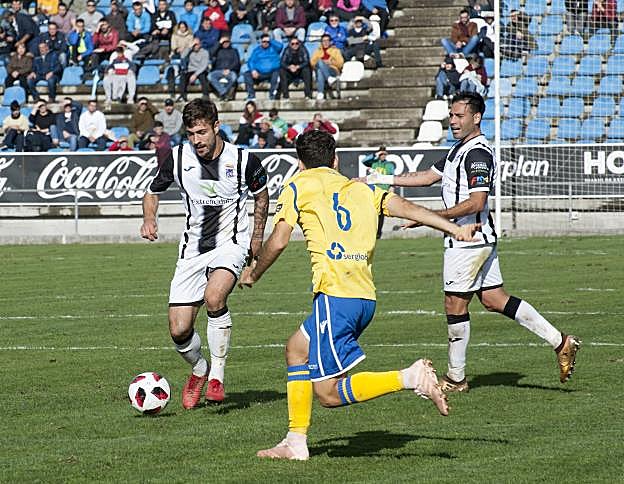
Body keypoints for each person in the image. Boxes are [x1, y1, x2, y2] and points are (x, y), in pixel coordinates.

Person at [239, 129, 482, 460]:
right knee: (296, 349)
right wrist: (455, 228)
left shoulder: (297, 185)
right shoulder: (362, 188)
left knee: (328, 394)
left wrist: (254, 272)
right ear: (336, 160)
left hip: (335, 296)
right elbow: (407, 207)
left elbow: (279, 240)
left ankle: (410, 377)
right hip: (363, 297)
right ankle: (295, 441)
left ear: (300, 163)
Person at [366, 92, 581, 391]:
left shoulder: (477, 154)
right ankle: (561, 341)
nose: (453, 121)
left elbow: (476, 202)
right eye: (451, 116)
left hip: (468, 239)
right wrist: (380, 179)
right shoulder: (459, 149)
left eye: (459, 116)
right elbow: (427, 177)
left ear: (476, 117)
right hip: (478, 238)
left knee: (454, 304)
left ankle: (456, 377)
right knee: (494, 299)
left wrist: (430, 217)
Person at [140, 98, 269, 409]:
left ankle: (217, 378)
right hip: (192, 250)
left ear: (216, 126)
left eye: (201, 132)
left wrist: (256, 238)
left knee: (214, 297)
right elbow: (152, 191)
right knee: (179, 329)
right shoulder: (178, 157)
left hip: (231, 244)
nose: (196, 140)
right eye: (190, 134)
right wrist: (149, 218)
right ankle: (200, 369)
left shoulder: (243, 160)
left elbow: (262, 196)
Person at [243, 33, 281, 100]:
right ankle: (251, 96)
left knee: (277, 74)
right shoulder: (257, 50)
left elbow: (280, 46)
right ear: (261, 42)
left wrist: (271, 40)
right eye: (264, 41)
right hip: (259, 73)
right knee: (247, 74)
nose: (266, 43)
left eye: (267, 42)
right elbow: (251, 61)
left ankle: (272, 95)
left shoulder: (274, 49)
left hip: (272, 72)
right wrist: (253, 70)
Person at [310, 34, 344, 100]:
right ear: (321, 42)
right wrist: (322, 62)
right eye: (324, 41)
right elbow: (312, 62)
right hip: (320, 70)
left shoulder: (335, 50)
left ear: (330, 42)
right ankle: (329, 78)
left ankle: (320, 93)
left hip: (332, 70)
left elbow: (340, 63)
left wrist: (330, 62)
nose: (325, 42)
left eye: (327, 41)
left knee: (320, 69)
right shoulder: (318, 51)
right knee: (319, 67)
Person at [207, 35, 240, 101]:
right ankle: (224, 92)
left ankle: (223, 93)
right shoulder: (217, 50)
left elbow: (236, 62)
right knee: (209, 76)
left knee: (234, 77)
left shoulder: (234, 51)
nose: (225, 43)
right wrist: (219, 43)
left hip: (230, 71)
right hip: (218, 70)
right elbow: (210, 54)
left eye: (227, 42)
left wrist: (229, 69)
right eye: (224, 42)